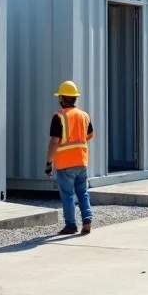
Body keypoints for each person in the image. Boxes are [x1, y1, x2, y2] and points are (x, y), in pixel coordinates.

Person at [44, 80, 94, 235]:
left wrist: (48, 163)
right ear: (75, 98)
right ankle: (87, 218)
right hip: (82, 161)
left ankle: (71, 225)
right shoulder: (84, 115)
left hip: (65, 163)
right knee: (82, 192)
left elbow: (54, 142)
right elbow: (89, 135)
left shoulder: (59, 117)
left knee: (67, 195)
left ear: (61, 98)